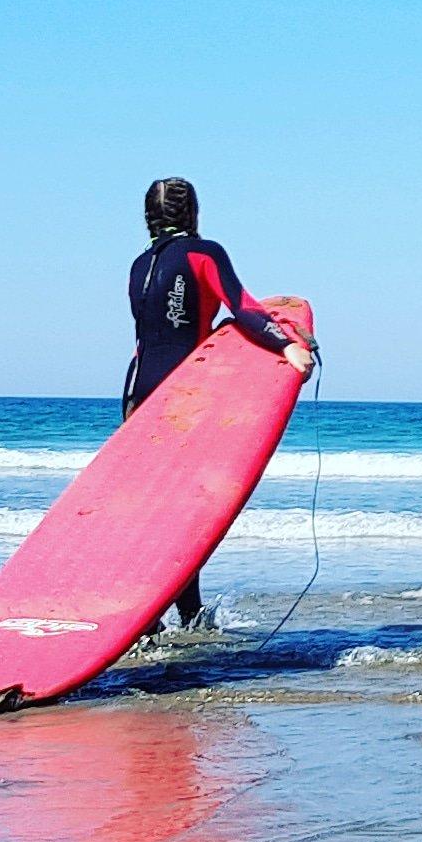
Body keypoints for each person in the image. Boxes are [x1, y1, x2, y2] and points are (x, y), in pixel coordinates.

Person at [126, 178, 302, 626]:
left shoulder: (138, 265)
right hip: (184, 399)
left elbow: (146, 339)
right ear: (193, 214)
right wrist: (286, 345)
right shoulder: (204, 253)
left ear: (148, 217)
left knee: (152, 514)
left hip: (135, 399)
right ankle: (182, 616)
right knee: (184, 517)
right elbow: (242, 306)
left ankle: (162, 617)